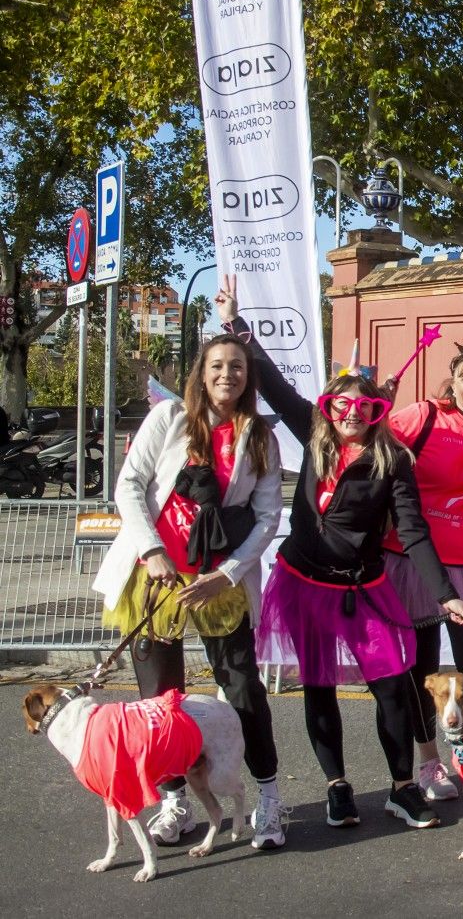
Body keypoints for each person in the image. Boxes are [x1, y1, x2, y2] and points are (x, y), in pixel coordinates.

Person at [214, 275, 463, 831]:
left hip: (365, 588)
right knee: (319, 688)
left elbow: (415, 531)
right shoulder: (313, 433)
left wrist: (446, 595)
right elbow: (274, 383)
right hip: (306, 583)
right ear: (330, 406)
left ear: (377, 411)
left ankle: (402, 787)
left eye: (364, 405)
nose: (352, 412)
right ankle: (337, 787)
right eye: (343, 403)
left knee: (393, 688)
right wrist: (236, 327)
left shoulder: (392, 461)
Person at [92, 332, 288, 849]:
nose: (228, 375)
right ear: (201, 373)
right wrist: (152, 550)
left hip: (218, 580)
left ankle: (268, 798)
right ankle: (175, 799)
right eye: (218, 366)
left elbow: (268, 516)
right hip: (155, 577)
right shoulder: (169, 419)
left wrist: (227, 574)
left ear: (249, 377)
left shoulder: (261, 436)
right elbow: (129, 485)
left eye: (238, 367)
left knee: (244, 689)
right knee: (160, 699)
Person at [381, 337, 463, 805]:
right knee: (424, 671)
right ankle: (429, 761)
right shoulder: (424, 415)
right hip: (412, 563)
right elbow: (367, 437)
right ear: (452, 382)